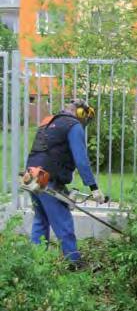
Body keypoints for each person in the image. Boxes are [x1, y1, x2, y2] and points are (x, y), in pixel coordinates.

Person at [26, 99, 105, 266]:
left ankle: (34, 264)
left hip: (31, 176)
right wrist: (94, 187)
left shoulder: (48, 121)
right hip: (47, 179)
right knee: (64, 223)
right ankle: (74, 263)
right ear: (81, 113)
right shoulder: (73, 126)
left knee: (41, 220)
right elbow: (81, 160)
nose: (85, 122)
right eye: (85, 118)